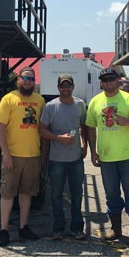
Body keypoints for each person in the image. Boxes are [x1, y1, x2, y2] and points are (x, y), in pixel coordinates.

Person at [86, 68, 129, 246]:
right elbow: (90, 127)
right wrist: (93, 151)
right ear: (101, 82)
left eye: (111, 79)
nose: (108, 83)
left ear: (118, 80)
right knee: (111, 194)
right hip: (106, 158)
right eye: (105, 80)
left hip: (127, 156)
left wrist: (127, 122)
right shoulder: (95, 102)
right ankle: (116, 228)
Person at [0, 67, 45, 247]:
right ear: (18, 79)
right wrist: (5, 154)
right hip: (13, 156)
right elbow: (0, 127)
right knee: (7, 193)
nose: (28, 82)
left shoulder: (39, 101)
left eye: (31, 79)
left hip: (33, 155)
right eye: (25, 78)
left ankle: (24, 227)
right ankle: (4, 230)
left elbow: (42, 128)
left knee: (26, 193)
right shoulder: (8, 99)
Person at [40, 74, 88, 240]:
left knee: (77, 194)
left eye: (68, 85)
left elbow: (84, 125)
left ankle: (77, 228)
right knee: (56, 195)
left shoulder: (80, 104)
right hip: (56, 160)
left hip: (75, 159)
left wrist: (84, 144)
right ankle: (58, 229)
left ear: (73, 87)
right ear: (58, 87)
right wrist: (59, 138)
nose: (65, 88)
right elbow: (42, 130)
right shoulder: (50, 107)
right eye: (62, 86)